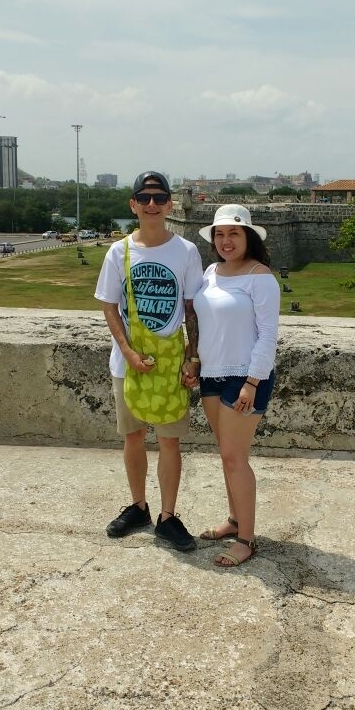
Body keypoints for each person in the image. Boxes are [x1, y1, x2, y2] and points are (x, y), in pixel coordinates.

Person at [94, 171, 203, 551]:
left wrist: (193, 358)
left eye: (159, 198)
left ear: (170, 204)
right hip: (127, 363)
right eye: (144, 198)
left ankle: (167, 516)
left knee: (169, 441)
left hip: (170, 363)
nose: (152, 204)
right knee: (134, 437)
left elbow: (192, 309)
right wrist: (127, 352)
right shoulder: (119, 251)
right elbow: (110, 306)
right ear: (134, 205)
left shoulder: (186, 251)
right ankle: (139, 506)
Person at [192, 204, 280, 568]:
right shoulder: (211, 272)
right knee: (226, 454)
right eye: (220, 234)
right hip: (211, 374)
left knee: (235, 457)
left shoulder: (261, 277)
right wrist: (194, 361)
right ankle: (234, 520)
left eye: (234, 233)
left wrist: (251, 382)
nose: (226, 241)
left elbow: (268, 336)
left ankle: (246, 540)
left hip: (245, 377)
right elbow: (204, 324)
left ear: (248, 237)